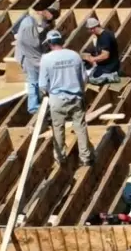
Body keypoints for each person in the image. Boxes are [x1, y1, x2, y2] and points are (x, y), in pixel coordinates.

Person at [38, 30, 94, 167]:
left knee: (58, 129)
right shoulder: (74, 55)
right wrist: (80, 91)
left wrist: (46, 93)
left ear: (50, 43)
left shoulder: (46, 59)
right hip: (75, 97)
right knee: (80, 128)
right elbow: (84, 78)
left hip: (57, 99)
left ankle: (60, 157)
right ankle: (85, 157)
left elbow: (43, 84)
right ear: (61, 41)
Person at [12, 4, 56, 114]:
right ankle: (33, 107)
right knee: (33, 81)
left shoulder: (32, 21)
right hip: (28, 58)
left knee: (35, 81)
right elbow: (33, 46)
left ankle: (38, 103)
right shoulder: (29, 24)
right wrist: (43, 61)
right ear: (41, 12)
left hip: (31, 56)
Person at [81, 17, 121, 84]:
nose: (88, 31)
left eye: (88, 29)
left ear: (92, 29)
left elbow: (105, 56)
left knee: (92, 79)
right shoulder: (101, 35)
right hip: (106, 64)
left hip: (109, 66)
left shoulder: (105, 37)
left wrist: (93, 59)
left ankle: (111, 76)